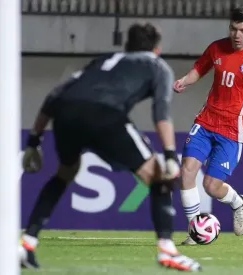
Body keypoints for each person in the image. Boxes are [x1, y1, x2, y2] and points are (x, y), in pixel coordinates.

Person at [18, 22, 202, 271]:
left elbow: (54, 96)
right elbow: (161, 114)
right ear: (157, 49)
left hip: (65, 114)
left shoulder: (103, 60)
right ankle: (167, 250)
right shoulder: (158, 67)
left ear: (127, 45)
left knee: (66, 172)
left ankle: (27, 243)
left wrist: (33, 141)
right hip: (105, 114)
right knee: (159, 176)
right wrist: (169, 154)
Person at [173, 6, 243, 245]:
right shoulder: (216, 48)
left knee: (211, 186)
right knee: (187, 171)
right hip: (206, 121)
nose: (237, 35)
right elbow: (199, 69)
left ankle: (237, 202)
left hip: (232, 132)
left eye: (242, 30)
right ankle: (194, 230)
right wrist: (184, 81)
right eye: (233, 28)